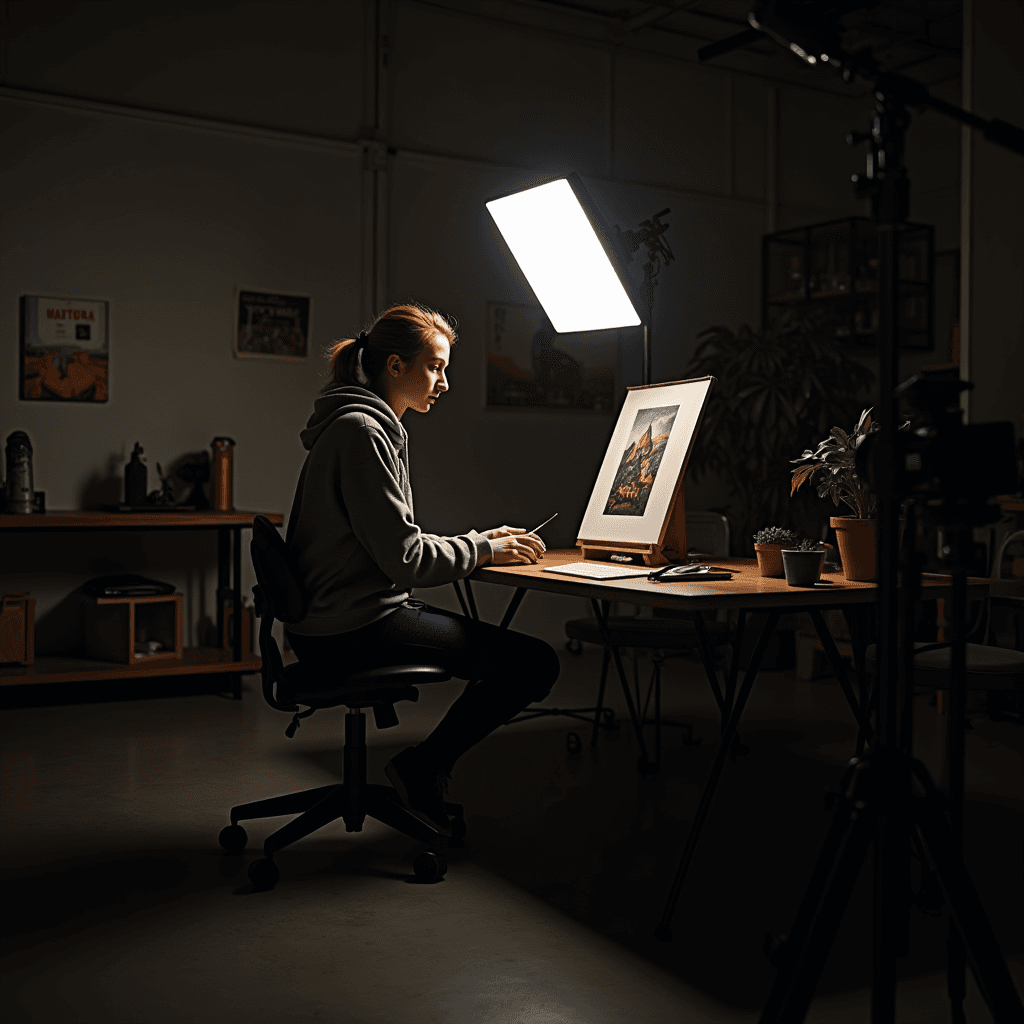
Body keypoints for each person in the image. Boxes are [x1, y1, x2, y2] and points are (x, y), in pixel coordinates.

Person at [284, 303, 560, 836]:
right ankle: (422, 767)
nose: (444, 383)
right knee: (534, 664)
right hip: (351, 630)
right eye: (435, 366)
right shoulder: (363, 433)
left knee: (516, 659)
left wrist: (480, 541)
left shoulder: (361, 426)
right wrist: (481, 552)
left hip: (335, 622)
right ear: (394, 366)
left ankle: (422, 767)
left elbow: (394, 544)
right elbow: (405, 560)